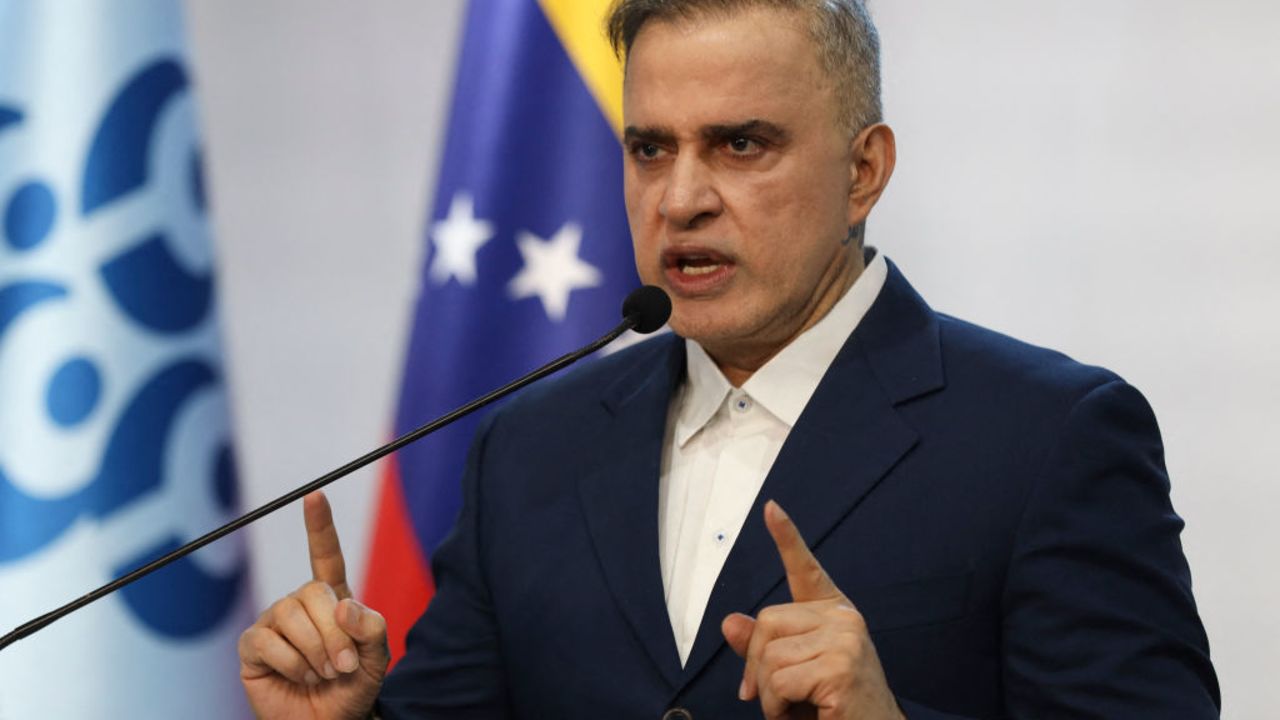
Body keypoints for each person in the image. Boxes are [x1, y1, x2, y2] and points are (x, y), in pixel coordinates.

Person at [238, 1, 1221, 717]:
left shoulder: (1047, 435)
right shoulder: (527, 448)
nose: (680, 199)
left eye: (739, 145)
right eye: (649, 149)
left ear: (862, 170)